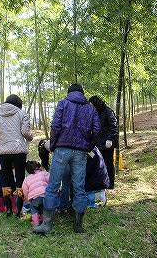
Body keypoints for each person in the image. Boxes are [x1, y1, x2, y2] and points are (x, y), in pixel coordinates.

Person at [33, 84, 100, 234]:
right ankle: (78, 226)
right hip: (81, 151)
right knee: (79, 188)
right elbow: (96, 130)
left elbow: (55, 126)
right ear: (82, 93)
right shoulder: (91, 108)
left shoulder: (63, 103)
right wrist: (89, 146)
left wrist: (55, 144)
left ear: (69, 93)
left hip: (62, 149)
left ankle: (47, 225)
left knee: (53, 186)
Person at [0, 94, 33, 217]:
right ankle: (19, 210)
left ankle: (9, 209)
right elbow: (25, 132)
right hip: (18, 151)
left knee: (5, 179)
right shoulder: (22, 114)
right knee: (19, 180)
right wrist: (30, 137)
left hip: (3, 151)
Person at [88, 95, 118, 189]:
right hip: (97, 144)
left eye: (92, 104)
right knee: (98, 164)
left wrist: (110, 139)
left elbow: (114, 127)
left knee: (108, 164)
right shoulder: (94, 113)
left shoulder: (108, 111)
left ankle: (110, 184)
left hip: (107, 144)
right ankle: (101, 184)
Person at [22, 161, 49, 226]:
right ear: (40, 167)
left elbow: (25, 190)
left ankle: (36, 223)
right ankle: (44, 222)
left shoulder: (27, 179)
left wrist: (27, 199)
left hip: (35, 197)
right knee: (43, 208)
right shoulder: (44, 174)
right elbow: (51, 181)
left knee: (34, 209)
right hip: (45, 195)